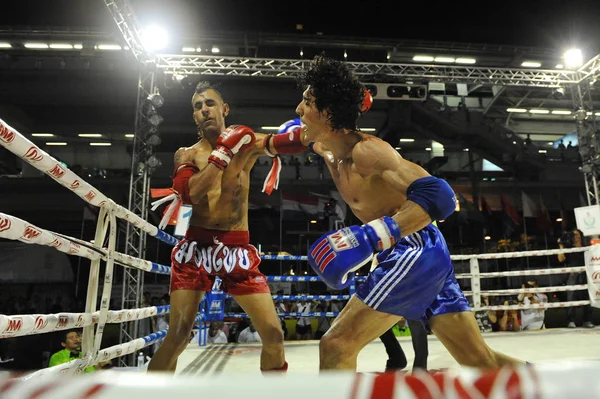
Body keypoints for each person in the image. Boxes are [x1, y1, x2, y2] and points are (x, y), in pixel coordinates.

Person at [296, 56, 524, 370]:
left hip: (413, 249)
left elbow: (440, 196)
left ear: (328, 112)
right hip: (422, 250)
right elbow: (279, 139)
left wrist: (372, 236)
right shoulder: (325, 148)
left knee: (336, 345)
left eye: (306, 102)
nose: (298, 110)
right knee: (478, 360)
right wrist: (237, 148)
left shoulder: (368, 151)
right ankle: (551, 388)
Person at [148, 81, 308, 373]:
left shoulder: (246, 144)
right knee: (178, 336)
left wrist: (312, 127)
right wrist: (222, 153)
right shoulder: (186, 154)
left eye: (209, 103)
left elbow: (288, 143)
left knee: (273, 335)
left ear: (224, 109)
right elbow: (189, 194)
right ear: (194, 116)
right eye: (197, 107)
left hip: (236, 247)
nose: (204, 110)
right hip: (196, 248)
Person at [558, 228, 595, 328]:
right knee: (571, 297)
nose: (575, 237)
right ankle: (571, 320)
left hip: (585, 273)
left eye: (577, 235)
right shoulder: (568, 246)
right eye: (573, 235)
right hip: (572, 273)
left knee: (587, 297)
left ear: (580, 236)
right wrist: (561, 245)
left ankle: (587, 320)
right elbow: (561, 259)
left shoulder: (586, 246)